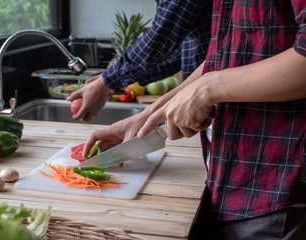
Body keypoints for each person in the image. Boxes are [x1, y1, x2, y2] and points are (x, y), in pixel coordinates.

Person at [83, 0, 306, 239]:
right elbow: (220, 57)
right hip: (230, 182)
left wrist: (209, 88)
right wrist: (148, 115)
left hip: (278, 190)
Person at [67, 0, 212, 121]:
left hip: (215, 99)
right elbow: (177, 56)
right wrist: (112, 80)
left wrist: (107, 81)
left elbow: (160, 37)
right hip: (207, 103)